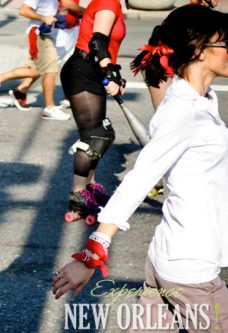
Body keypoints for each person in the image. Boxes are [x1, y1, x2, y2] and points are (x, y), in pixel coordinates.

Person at [53, 5, 228, 332]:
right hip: (192, 269)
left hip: (169, 258)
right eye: (227, 43)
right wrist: (94, 251)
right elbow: (139, 179)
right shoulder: (185, 110)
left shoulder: (200, 99)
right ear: (202, 51)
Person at [59, 0, 126, 219]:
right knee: (93, 137)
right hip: (84, 70)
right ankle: (78, 196)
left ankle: (90, 186)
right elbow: (97, 41)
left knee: (102, 134)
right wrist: (110, 72)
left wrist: (112, 71)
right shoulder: (108, 2)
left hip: (92, 70)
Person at [0, 0, 84, 113]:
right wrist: (43, 18)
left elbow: (61, 6)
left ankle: (7, 84)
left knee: (36, 69)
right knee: (50, 70)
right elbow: (23, 10)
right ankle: (49, 108)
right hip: (39, 33)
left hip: (49, 33)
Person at [133, 0, 219, 110]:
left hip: (176, 63)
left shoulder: (203, 12)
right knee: (166, 113)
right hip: (161, 63)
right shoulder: (191, 12)